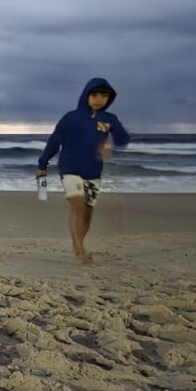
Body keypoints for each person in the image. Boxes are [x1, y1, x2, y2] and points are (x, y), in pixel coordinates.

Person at [37, 77, 131, 265]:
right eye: (94, 95)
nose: (99, 99)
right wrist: (42, 164)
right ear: (86, 95)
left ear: (109, 98)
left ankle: (78, 242)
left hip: (93, 172)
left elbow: (123, 138)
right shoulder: (71, 118)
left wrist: (109, 142)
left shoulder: (109, 119)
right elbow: (55, 141)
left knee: (87, 212)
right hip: (69, 168)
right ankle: (80, 248)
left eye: (104, 96)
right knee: (78, 206)